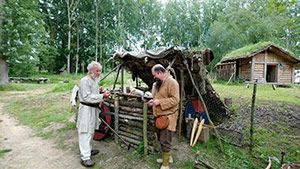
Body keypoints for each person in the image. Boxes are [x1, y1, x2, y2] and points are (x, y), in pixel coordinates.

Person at [77, 61, 110, 167]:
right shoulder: (84, 81)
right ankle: (85, 157)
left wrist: (100, 91)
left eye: (100, 71)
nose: (99, 73)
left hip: (93, 109)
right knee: (85, 132)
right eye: (97, 70)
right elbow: (87, 97)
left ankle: (88, 150)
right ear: (90, 70)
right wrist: (102, 96)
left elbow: (93, 93)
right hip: (86, 109)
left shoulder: (94, 80)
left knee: (91, 131)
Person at [148, 64, 180, 169]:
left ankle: (166, 165)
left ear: (160, 73)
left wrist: (159, 102)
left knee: (165, 140)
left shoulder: (172, 83)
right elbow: (157, 97)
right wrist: (152, 101)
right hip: (159, 116)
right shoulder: (158, 83)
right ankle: (168, 157)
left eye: (155, 75)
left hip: (168, 117)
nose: (154, 77)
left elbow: (176, 100)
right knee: (160, 138)